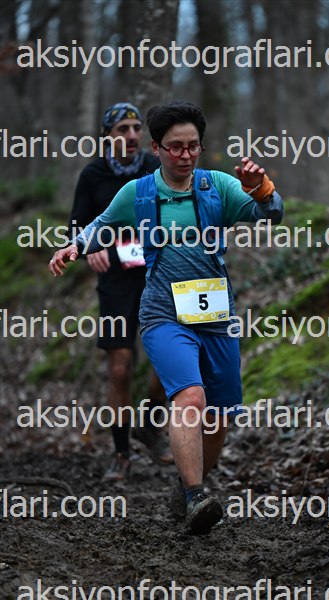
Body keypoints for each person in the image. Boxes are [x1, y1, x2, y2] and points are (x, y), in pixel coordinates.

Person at [49, 101, 284, 533]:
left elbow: (271, 216)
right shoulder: (137, 193)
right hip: (163, 313)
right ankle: (196, 496)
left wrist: (261, 189)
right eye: (175, 147)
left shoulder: (218, 186)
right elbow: (100, 225)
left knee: (219, 416)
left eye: (193, 146)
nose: (185, 155)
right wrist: (75, 247)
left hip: (216, 315)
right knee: (190, 398)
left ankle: (187, 488)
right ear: (156, 148)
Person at [68, 102, 172, 482]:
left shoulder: (155, 168)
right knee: (119, 368)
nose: (131, 135)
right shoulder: (93, 175)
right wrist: (89, 249)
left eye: (136, 128)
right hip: (115, 280)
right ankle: (121, 454)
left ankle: (150, 424)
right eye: (122, 130)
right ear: (107, 137)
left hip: (158, 273)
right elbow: (76, 228)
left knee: (169, 359)